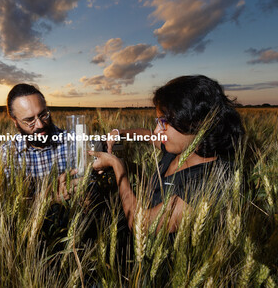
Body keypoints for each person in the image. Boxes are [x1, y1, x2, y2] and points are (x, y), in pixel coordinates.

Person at [89, 75, 245, 231]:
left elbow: (141, 225)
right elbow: (147, 135)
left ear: (194, 121)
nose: (157, 130)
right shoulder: (179, 149)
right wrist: (120, 133)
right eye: (158, 122)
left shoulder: (212, 181)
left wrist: (118, 167)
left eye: (164, 122)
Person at [0, 83, 75, 200]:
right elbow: (11, 201)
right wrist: (50, 197)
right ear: (15, 121)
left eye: (43, 115)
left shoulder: (72, 141)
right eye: (29, 120)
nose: (40, 124)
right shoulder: (9, 153)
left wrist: (114, 133)